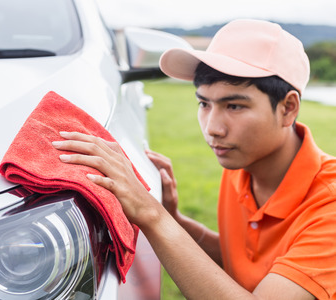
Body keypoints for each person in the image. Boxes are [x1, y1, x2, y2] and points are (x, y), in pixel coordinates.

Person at [52, 19, 336, 299]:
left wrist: (153, 215)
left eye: (234, 106)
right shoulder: (243, 164)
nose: (213, 128)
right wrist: (176, 220)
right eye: (204, 103)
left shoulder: (330, 206)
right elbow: (240, 260)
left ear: (288, 108)